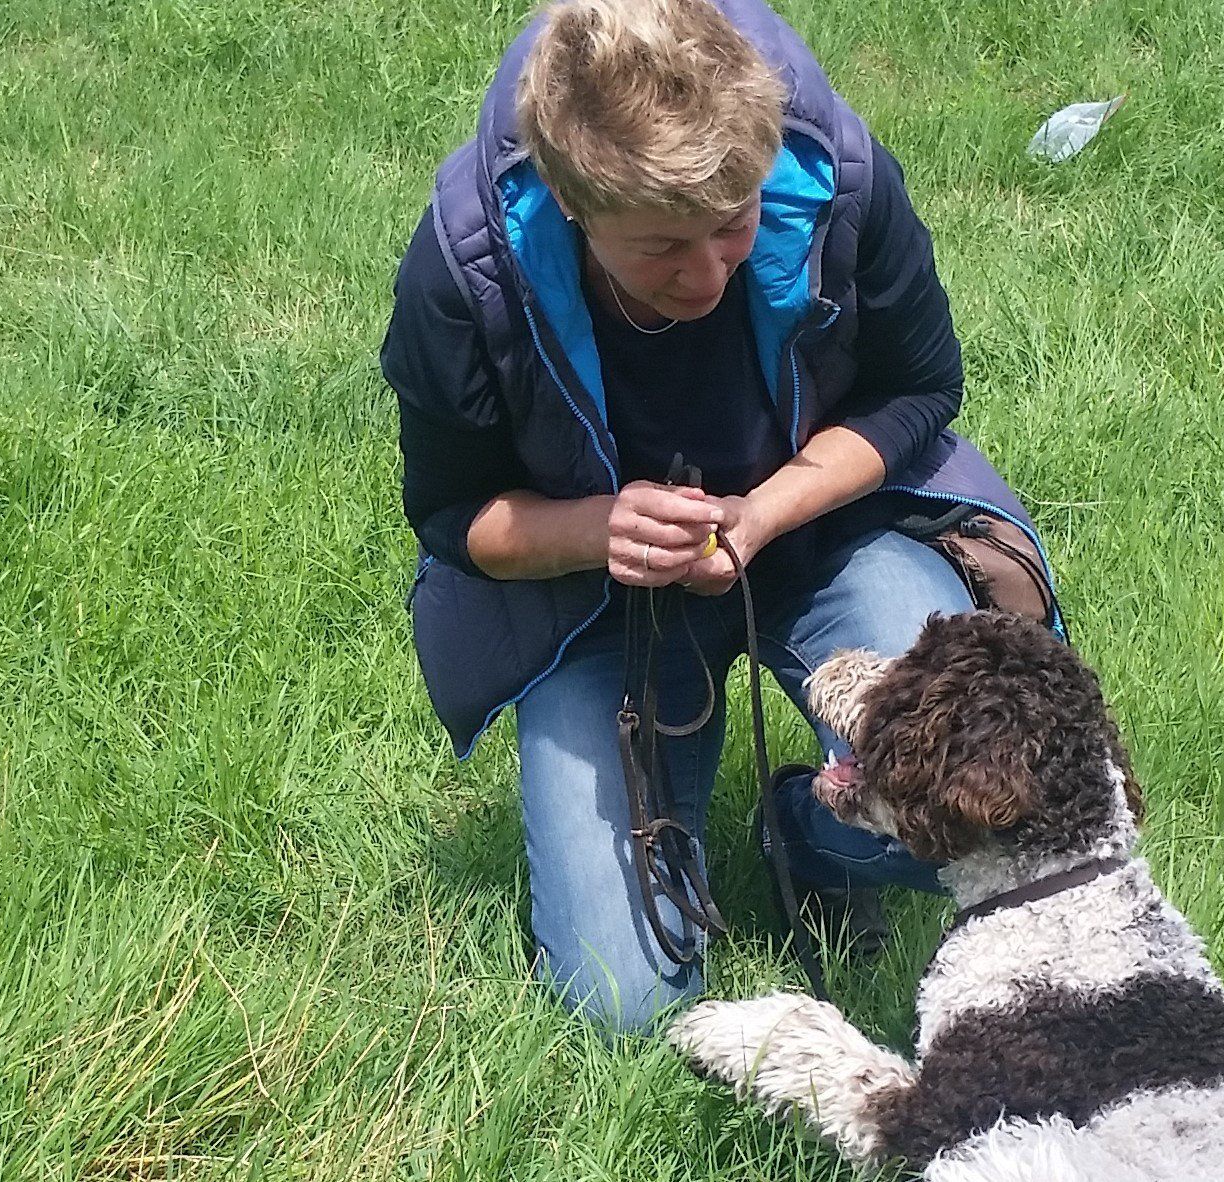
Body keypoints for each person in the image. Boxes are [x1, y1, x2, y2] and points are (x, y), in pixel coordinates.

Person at [380, 0, 1061, 1036]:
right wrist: (599, 529)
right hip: (594, 606)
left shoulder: (834, 172)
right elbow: (450, 513)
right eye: (658, 249)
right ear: (570, 202)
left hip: (830, 539)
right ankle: (689, 848)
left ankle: (808, 825)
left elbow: (918, 391)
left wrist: (761, 513)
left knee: (984, 796)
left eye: (733, 224)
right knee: (621, 1005)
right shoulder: (467, 265)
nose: (704, 277)